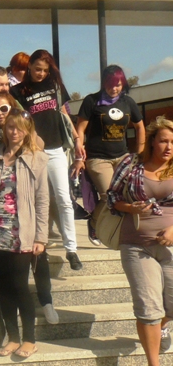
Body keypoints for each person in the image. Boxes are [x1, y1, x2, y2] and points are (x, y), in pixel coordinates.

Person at [107, 116, 173, 366]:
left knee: (170, 305)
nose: (169, 147)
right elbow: (112, 196)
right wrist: (129, 207)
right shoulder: (131, 164)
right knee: (148, 308)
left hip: (170, 246)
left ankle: (164, 325)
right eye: (164, 141)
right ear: (152, 141)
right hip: (136, 245)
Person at [0, 110, 49, 359]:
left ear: (28, 130)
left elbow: (42, 199)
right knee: (5, 288)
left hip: (23, 233)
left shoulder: (37, 157)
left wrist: (40, 237)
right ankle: (13, 337)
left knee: (20, 286)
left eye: (19, 127)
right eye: (10, 127)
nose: (14, 132)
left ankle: (29, 339)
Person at [11, 49, 83, 270]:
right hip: (31, 151)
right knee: (33, 199)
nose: (41, 74)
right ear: (29, 67)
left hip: (55, 148)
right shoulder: (18, 91)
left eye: (45, 70)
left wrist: (77, 139)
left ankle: (71, 249)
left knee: (63, 198)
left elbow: (63, 113)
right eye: (37, 69)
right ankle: (34, 244)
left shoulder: (55, 86)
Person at [74, 65, 145, 246]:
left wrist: (140, 154)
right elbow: (80, 129)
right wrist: (79, 154)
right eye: (110, 84)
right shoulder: (92, 101)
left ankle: (122, 230)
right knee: (109, 197)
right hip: (98, 158)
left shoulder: (127, 102)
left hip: (122, 157)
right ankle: (93, 223)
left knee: (128, 195)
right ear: (103, 83)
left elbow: (140, 127)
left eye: (118, 85)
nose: (114, 89)